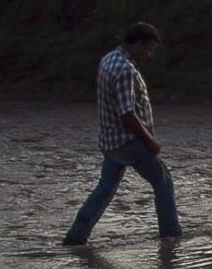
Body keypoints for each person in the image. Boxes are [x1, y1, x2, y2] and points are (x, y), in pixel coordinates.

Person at [63, 22, 183, 245]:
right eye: (148, 49)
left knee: (105, 190)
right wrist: (150, 142)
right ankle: (171, 234)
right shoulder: (125, 70)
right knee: (163, 181)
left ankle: (76, 236)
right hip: (129, 141)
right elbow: (127, 114)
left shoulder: (109, 59)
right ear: (137, 43)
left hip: (111, 141)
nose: (149, 55)